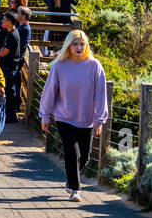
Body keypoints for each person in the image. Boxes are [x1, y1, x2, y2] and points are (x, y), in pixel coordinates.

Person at [39, 30, 109, 201]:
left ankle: (71, 180)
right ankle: (75, 190)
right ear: (68, 46)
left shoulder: (94, 66)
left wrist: (99, 120)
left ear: (86, 46)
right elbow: (50, 92)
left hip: (87, 120)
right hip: (65, 117)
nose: (79, 47)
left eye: (82, 44)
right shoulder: (60, 66)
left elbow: (101, 95)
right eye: (75, 44)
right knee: (72, 153)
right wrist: (45, 115)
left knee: (84, 156)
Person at [0, 12, 22, 112]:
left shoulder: (12, 35)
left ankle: (10, 114)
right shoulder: (12, 32)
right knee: (8, 90)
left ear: (9, 22)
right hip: (10, 65)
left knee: (8, 91)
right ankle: (9, 112)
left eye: (4, 20)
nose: (3, 22)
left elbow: (6, 51)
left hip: (9, 66)